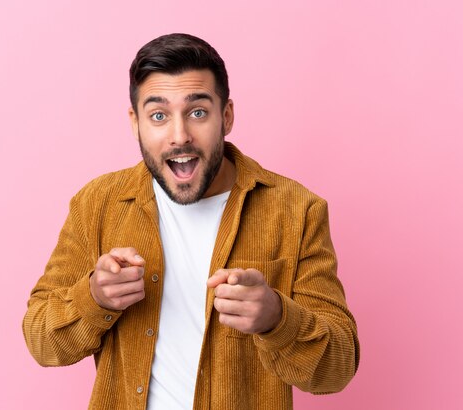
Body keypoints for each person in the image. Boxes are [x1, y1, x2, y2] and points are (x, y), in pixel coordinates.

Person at [22, 33, 359, 410]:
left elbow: (337, 369)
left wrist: (276, 318)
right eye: (159, 116)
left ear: (226, 116)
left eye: (198, 112)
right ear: (135, 123)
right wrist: (95, 297)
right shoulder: (97, 204)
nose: (179, 136)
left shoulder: (297, 210)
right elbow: (41, 340)